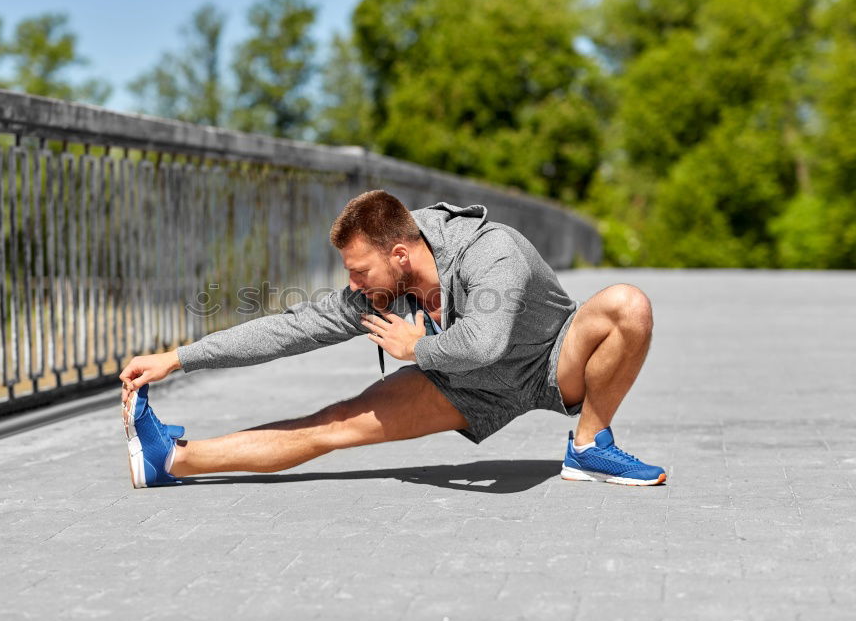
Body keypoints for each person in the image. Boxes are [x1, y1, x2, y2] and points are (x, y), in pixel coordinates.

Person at [119, 190, 666, 488]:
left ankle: (591, 447)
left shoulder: (493, 252)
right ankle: (170, 460)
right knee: (328, 427)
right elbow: (290, 330)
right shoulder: (381, 287)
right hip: (467, 389)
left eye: (360, 271)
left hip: (550, 359)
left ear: (399, 254)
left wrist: (415, 348)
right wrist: (178, 359)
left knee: (626, 304)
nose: (353, 285)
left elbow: (487, 342)